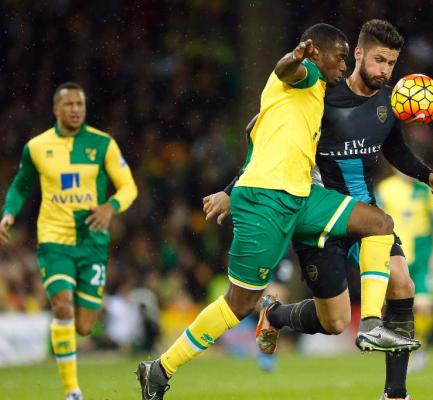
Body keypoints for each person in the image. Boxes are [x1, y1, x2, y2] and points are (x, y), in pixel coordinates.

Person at [136, 23, 404, 400]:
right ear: (315, 53)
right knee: (240, 302)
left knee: (379, 224)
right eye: (339, 56)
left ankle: (372, 322)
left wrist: (230, 190)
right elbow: (286, 70)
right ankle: (159, 369)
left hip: (302, 197)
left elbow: (255, 138)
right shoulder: (304, 73)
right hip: (266, 201)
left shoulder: (316, 97)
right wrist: (293, 59)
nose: (344, 65)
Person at [204, 20, 433, 400]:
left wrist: (428, 174)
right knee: (334, 321)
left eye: (391, 63)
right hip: (320, 216)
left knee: (402, 283)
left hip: (364, 215)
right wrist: (228, 190)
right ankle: (276, 316)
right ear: (358, 54)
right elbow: (271, 145)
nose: (385, 70)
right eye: (379, 59)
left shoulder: (388, 102)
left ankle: (395, 392)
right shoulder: (321, 94)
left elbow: (395, 150)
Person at [0, 82, 138, 400]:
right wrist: (9, 213)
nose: (75, 109)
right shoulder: (37, 146)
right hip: (54, 240)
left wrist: (110, 206)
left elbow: (129, 186)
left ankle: (64, 334)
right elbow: (21, 186)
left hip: (92, 244)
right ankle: (72, 391)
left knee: (85, 326)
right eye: (69, 104)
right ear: (55, 109)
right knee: (62, 306)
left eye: (80, 104)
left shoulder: (103, 144)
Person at [377, 171, 433, 372]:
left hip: (423, 256)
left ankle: (420, 344)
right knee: (397, 308)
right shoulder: (385, 189)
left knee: (425, 307)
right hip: (396, 256)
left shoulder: (428, 188)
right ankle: (402, 349)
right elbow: (376, 221)